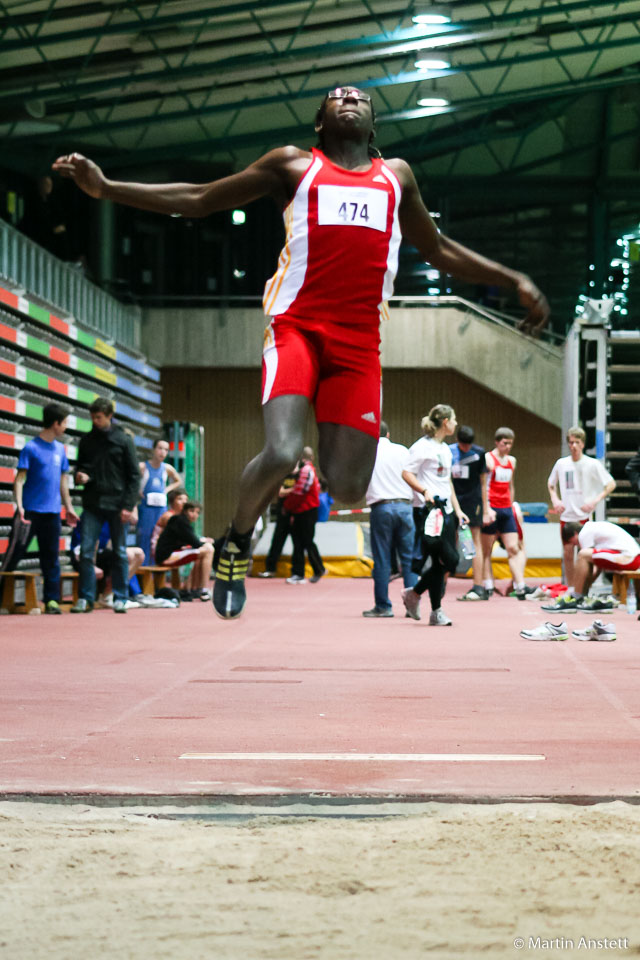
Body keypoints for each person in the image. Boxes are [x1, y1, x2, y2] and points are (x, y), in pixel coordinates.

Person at [53, 85, 549, 621]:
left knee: (351, 487)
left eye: (359, 96)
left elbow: (437, 248)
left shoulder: (396, 177)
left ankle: (277, 499)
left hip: (359, 346)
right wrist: (106, 189)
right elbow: (200, 198)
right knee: (285, 450)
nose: (349, 99)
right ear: (320, 122)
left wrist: (512, 278)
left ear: (374, 123)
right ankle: (237, 541)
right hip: (298, 331)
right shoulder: (292, 166)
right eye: (337, 97)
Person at [70, 397, 140, 614]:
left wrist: (128, 505)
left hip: (118, 505)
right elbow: (80, 467)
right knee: (87, 551)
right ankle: (85, 598)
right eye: (92, 417)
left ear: (109, 416)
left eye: (98, 417)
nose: (95, 420)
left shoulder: (123, 440)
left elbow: (134, 476)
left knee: (119, 551)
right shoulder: (87, 440)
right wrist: (79, 476)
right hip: (92, 503)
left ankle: (120, 597)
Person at [401, 405, 468, 626]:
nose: (456, 423)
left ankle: (418, 596)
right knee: (448, 559)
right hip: (428, 512)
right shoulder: (422, 447)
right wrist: (424, 491)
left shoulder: (446, 449)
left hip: (447, 511)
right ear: (446, 421)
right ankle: (433, 608)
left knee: (444, 562)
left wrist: (458, 510)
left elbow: (447, 481)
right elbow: (406, 473)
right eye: (454, 419)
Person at [8, 402, 79, 613]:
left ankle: (51, 600)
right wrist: (19, 506)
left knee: (51, 559)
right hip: (29, 512)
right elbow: (19, 479)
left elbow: (63, 483)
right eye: (64, 422)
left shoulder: (60, 450)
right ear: (55, 423)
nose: (66, 427)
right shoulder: (31, 448)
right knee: (13, 556)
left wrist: (69, 507)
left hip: (52, 513)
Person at [547, 426, 616, 593]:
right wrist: (556, 500)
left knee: (585, 553)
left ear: (583, 444)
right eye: (570, 443)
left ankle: (584, 587)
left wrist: (595, 501)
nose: (573, 446)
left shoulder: (592, 464)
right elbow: (551, 484)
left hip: (584, 516)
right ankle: (571, 588)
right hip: (566, 515)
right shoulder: (561, 463)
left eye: (577, 442)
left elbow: (610, 484)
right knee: (568, 553)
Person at [362, 420, 416, 617]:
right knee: (409, 559)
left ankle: (383, 606)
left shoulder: (367, 453)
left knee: (382, 559)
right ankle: (412, 606)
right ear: (389, 434)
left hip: (381, 507)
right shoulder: (403, 451)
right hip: (404, 506)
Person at [543, 520, 640, 613]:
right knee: (585, 555)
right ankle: (581, 596)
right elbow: (597, 567)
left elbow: (587, 562)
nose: (576, 544)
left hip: (630, 558)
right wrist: (586, 584)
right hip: (632, 557)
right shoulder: (593, 529)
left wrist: (581, 585)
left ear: (575, 534)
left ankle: (576, 597)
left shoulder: (584, 533)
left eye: (574, 543)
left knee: (582, 554)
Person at [480, 427, 530, 599]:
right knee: (487, 551)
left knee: (513, 548)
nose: (508, 447)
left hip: (506, 509)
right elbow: (483, 485)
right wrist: (486, 509)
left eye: (510, 444)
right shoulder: (488, 458)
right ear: (497, 442)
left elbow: (511, 485)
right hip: (491, 509)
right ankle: (488, 584)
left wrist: (511, 505)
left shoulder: (512, 461)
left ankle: (520, 585)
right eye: (504, 443)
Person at [450, 424, 490, 600]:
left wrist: (486, 508)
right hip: (452, 501)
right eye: (463, 445)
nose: (466, 448)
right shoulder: (448, 452)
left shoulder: (479, 453)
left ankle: (478, 586)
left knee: (472, 543)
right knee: (450, 541)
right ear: (458, 441)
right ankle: (441, 583)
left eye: (468, 445)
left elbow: (483, 482)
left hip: (472, 503)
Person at [281, 447, 325, 584]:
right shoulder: (309, 470)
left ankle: (317, 569)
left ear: (301, 458)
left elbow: (298, 493)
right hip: (303, 511)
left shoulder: (306, 471)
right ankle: (299, 572)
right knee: (300, 542)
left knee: (305, 542)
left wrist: (287, 506)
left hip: (306, 511)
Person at [155, 500, 214, 600]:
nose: (194, 515)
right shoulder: (180, 521)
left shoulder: (181, 521)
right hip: (166, 557)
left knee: (203, 552)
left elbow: (190, 541)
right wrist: (205, 542)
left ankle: (192, 588)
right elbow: (196, 543)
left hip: (171, 554)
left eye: (197, 512)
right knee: (208, 549)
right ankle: (204, 589)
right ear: (185, 511)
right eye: (192, 511)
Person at [137, 438, 182, 563]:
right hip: (146, 509)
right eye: (160, 448)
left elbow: (178, 481)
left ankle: (159, 569)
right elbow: (131, 480)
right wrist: (138, 490)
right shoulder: (142, 467)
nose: (163, 452)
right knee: (145, 538)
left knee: (160, 538)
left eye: (166, 449)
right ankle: (143, 568)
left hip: (161, 509)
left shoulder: (167, 468)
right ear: (154, 449)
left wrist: (167, 489)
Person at [257, 472, 297, 578]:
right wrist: (294, 490)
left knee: (299, 545)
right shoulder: (283, 476)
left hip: (296, 515)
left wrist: (289, 492)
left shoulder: (301, 475)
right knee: (277, 542)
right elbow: (279, 492)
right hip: (283, 514)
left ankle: (297, 572)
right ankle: (270, 568)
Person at [150, 487, 188, 563]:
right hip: (160, 551)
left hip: (171, 547)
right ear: (172, 502)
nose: (184, 502)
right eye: (180, 499)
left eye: (186, 500)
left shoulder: (180, 517)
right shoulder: (169, 516)